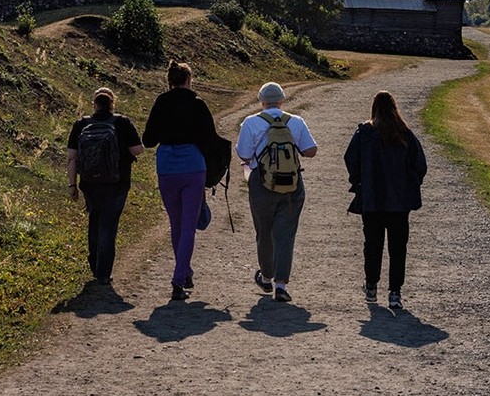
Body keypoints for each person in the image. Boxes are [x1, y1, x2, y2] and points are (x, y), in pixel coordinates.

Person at [143, 60, 225, 301]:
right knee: (189, 225)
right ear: (189, 80)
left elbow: (148, 140)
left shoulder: (161, 102)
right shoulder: (197, 104)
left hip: (167, 166)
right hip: (193, 166)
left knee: (176, 223)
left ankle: (185, 271)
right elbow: (210, 140)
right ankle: (179, 278)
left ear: (169, 80)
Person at [344, 90, 427, 310]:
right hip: (399, 202)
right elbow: (419, 164)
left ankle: (371, 285)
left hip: (372, 199)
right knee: (398, 247)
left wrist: (359, 180)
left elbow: (350, 159)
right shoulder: (404, 134)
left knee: (372, 244)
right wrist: (410, 184)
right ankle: (395, 292)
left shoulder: (365, 133)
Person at [236, 81, 318, 303]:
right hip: (292, 184)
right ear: (282, 100)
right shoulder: (296, 122)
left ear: (261, 101)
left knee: (264, 231)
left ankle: (266, 275)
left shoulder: (251, 122)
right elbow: (311, 151)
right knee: (285, 234)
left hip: (261, 183)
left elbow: (243, 155)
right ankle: (281, 285)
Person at [66, 88, 145, 286]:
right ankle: (103, 273)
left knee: (95, 219)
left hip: (89, 183)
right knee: (109, 224)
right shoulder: (122, 122)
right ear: (112, 103)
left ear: (94, 104)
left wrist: (72, 185)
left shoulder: (81, 124)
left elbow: (71, 157)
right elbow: (138, 150)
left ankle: (94, 264)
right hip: (117, 183)